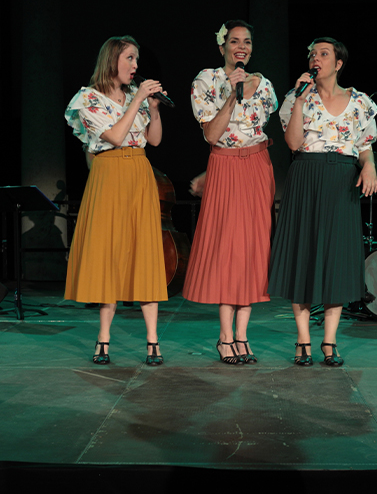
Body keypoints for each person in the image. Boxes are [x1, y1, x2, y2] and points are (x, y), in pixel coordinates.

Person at [268, 37, 377, 366]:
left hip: (342, 179)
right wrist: (300, 101)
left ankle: (329, 341)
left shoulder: (359, 101)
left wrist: (369, 166)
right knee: (304, 254)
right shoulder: (295, 98)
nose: (316, 58)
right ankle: (303, 339)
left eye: (323, 54)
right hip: (306, 175)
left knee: (337, 259)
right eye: (312, 53)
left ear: (338, 64)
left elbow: (365, 146)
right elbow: (292, 142)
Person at [64, 35, 168, 366]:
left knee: (144, 253)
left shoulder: (133, 98)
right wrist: (137, 100)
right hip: (109, 175)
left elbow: (153, 140)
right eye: (130, 59)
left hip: (139, 173)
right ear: (112, 60)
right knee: (109, 254)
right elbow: (115, 136)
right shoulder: (88, 99)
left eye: (137, 60)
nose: (136, 66)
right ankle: (103, 339)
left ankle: (153, 341)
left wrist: (151, 108)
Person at [181, 20, 278, 365]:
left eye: (247, 42)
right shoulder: (206, 80)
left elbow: (262, 127)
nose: (242, 47)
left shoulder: (264, 84)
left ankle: (243, 335)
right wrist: (231, 95)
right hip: (223, 165)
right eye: (235, 41)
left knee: (252, 248)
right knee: (227, 248)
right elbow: (211, 134)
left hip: (257, 164)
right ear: (222, 46)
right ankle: (224, 337)